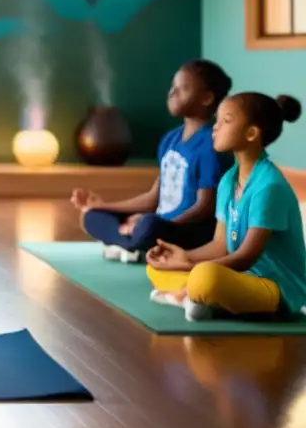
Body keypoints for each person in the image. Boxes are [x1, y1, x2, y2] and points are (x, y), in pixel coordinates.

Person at [146, 92, 306, 322]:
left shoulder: (269, 186)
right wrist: (183, 256)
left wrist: (190, 265)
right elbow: (221, 245)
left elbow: (246, 257)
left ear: (251, 133)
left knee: (205, 277)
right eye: (217, 120)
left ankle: (193, 296)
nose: (215, 127)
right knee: (158, 268)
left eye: (226, 121)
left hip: (276, 289)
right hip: (238, 277)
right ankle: (199, 299)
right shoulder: (228, 180)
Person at [71, 60, 234, 263]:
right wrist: (104, 205)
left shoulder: (211, 146)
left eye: (182, 88)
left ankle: (129, 242)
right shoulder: (170, 140)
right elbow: (152, 198)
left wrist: (155, 221)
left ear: (206, 98)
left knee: (149, 226)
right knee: (92, 216)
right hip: (158, 222)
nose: (172, 93)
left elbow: (204, 208)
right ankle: (131, 242)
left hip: (186, 230)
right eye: (172, 87)